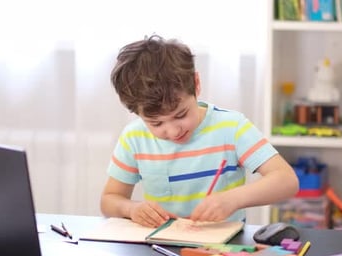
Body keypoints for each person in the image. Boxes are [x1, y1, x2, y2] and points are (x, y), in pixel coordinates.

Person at [100, 35, 299, 228]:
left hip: (224, 252)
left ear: (196, 84)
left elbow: (286, 180)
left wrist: (232, 199)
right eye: (156, 123)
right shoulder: (134, 137)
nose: (172, 130)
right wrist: (131, 209)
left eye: (180, 115)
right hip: (161, 250)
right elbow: (109, 200)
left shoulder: (231, 127)